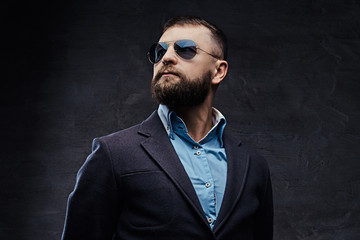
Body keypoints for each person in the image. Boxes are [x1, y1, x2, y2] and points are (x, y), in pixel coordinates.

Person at [61, 16, 273, 240]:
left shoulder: (253, 163)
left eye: (185, 50)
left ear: (218, 71)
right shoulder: (113, 153)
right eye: (159, 51)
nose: (167, 58)